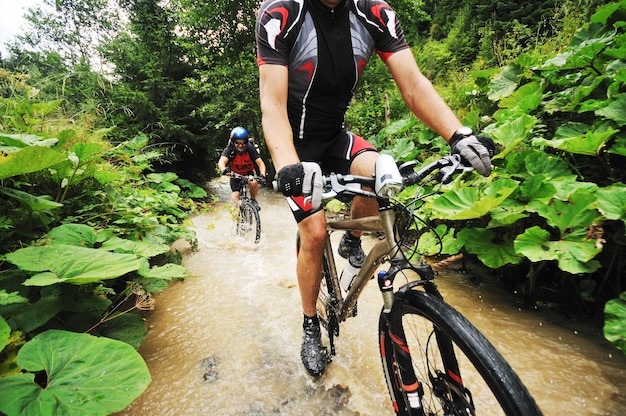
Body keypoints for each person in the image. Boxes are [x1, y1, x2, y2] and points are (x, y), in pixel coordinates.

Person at [255, 0, 493, 377]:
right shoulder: (282, 13)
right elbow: (273, 105)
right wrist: (288, 166)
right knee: (314, 233)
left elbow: (413, 85)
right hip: (295, 146)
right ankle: (310, 323)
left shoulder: (375, 12)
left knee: (383, 174)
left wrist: (458, 133)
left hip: (335, 140)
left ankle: (351, 242)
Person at [218, 126, 267, 210]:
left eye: (243, 143)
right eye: (237, 143)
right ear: (233, 142)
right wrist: (225, 170)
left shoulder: (250, 148)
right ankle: (236, 217)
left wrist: (262, 175)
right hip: (234, 175)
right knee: (235, 196)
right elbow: (221, 162)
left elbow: (260, 163)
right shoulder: (229, 149)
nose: (240, 145)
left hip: (248, 173)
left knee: (254, 183)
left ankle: (253, 200)